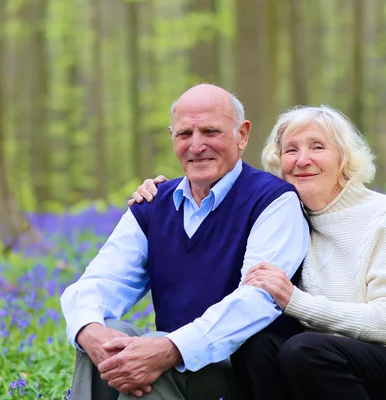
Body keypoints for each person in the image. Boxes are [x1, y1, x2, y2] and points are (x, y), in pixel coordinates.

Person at [130, 105, 386, 400]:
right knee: (255, 345)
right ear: (278, 162)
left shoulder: (384, 215)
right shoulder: (285, 216)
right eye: (290, 150)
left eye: (318, 147)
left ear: (344, 158)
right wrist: (164, 192)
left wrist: (296, 301)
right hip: (327, 369)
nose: (302, 160)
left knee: (305, 349)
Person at [60, 84, 310, 400]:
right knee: (110, 342)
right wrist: (90, 332)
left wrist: (170, 349)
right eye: (184, 134)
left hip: (242, 374)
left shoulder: (272, 200)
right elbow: (100, 281)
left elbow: (256, 300)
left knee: (156, 368)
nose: (196, 146)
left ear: (242, 135)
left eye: (210, 131)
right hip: (175, 360)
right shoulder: (153, 204)